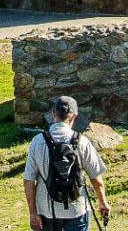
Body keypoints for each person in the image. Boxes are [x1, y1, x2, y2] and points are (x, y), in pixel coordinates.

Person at [23, 96, 111, 231]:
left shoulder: (37, 142)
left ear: (53, 114)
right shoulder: (82, 141)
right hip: (77, 210)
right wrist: (103, 203)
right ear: (74, 116)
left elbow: (29, 180)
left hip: (47, 211)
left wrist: (33, 213)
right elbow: (96, 178)